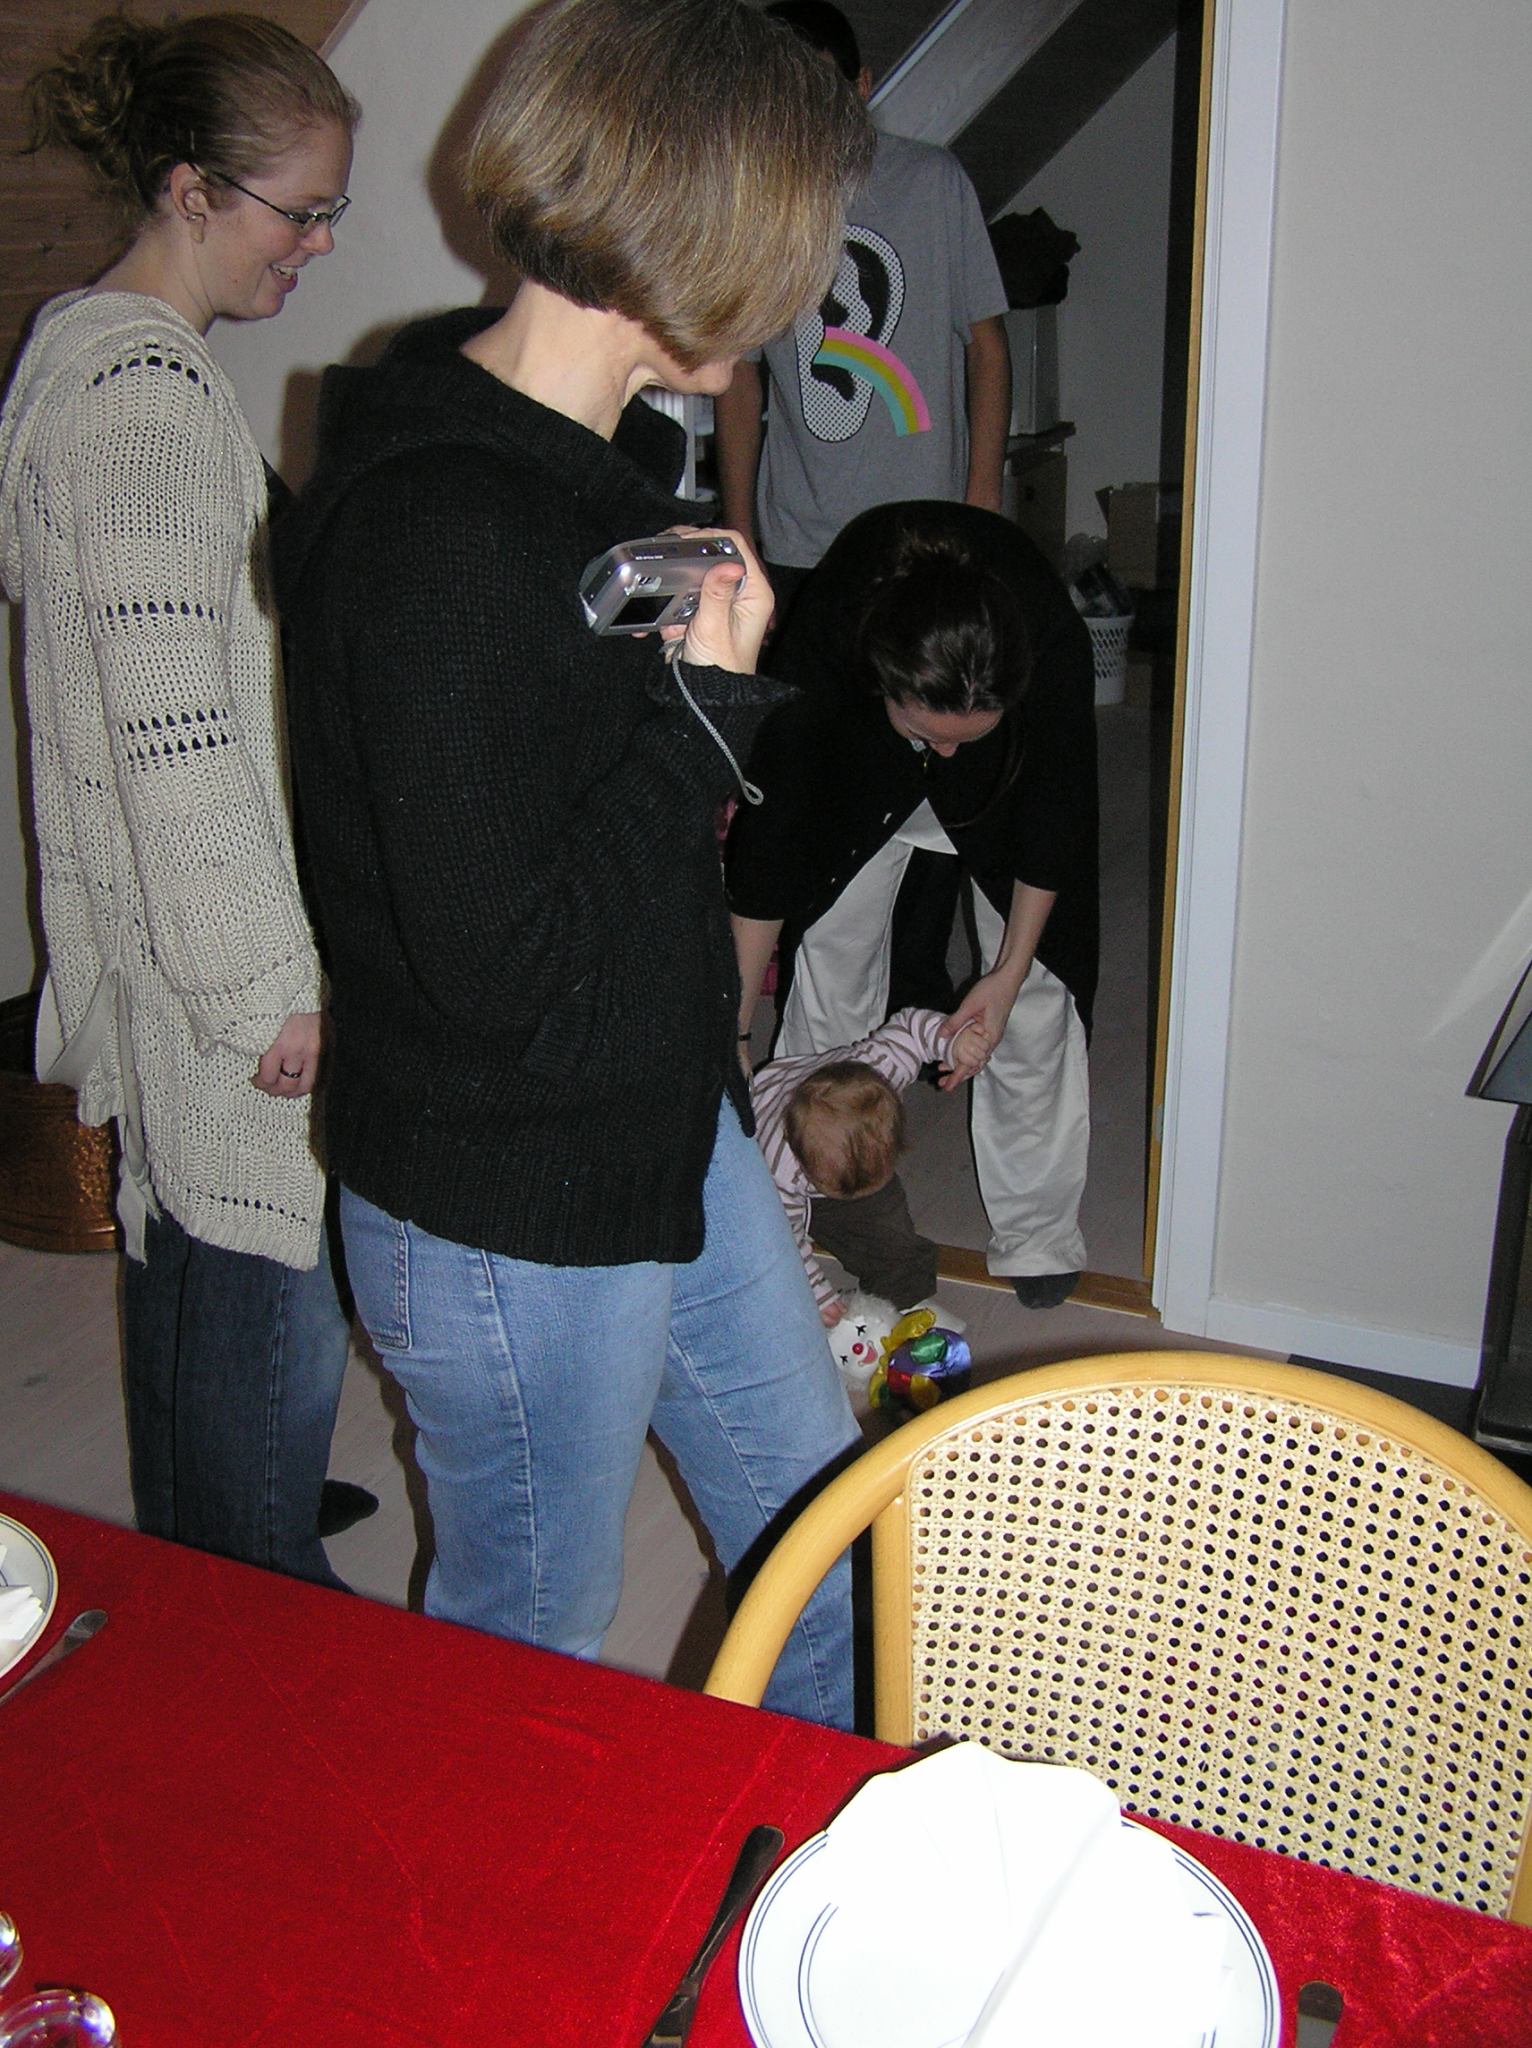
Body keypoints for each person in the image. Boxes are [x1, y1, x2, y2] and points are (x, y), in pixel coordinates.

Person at [273, 0, 874, 1726]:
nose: (794, 295)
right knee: (529, 1654)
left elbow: (567, 802)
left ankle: (812, 1851)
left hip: (649, 1117)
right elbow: (501, 968)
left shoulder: (581, 472)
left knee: (823, 1545)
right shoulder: (449, 525)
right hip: (507, 1199)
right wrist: (702, 713)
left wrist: (675, 697)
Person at [0, 15, 361, 1581]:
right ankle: (256, 1598)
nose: (319, 245)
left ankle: (211, 1566)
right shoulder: (146, 402)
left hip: (171, 947)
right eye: (302, 211)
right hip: (226, 968)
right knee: (255, 1286)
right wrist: (270, 983)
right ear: (191, 188)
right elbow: (177, 736)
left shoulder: (78, 351)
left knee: (183, 1263)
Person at [727, 499, 1099, 1309]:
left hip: (1010, 797)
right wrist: (735, 1028)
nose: (948, 753)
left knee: (1033, 1003)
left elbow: (1056, 826)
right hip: (861, 772)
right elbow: (770, 848)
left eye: (968, 734)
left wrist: (1005, 974)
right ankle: (823, 1181)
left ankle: (1037, 1232)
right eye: (931, 733)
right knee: (831, 961)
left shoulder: (1049, 646)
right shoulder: (826, 647)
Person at [712, 0, 1011, 626]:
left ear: (861, 86)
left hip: (925, 531)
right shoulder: (755, 204)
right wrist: (739, 532)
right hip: (800, 540)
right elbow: (739, 376)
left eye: (822, 91)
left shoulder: (932, 182)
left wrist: (982, 501)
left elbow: (987, 348)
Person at [751, 1006, 990, 1324]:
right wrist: (818, 1294)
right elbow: (780, 1239)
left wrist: (955, 1042)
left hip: (827, 1139)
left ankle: (901, 1303)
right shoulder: (777, 1170)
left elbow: (912, 1028)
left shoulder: (882, 1067)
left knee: (896, 1244)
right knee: (762, 1263)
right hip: (763, 1137)